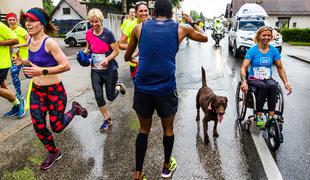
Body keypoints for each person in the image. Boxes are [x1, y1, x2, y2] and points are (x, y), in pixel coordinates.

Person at [124, 0, 208, 179]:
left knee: (143, 130)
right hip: (166, 89)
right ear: (171, 13)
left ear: (154, 13)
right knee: (168, 130)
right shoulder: (181, 28)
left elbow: (126, 56)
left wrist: (138, 55)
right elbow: (205, 37)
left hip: (143, 87)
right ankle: (166, 167)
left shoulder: (139, 29)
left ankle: (138, 174)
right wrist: (192, 21)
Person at [15, 7, 88, 170]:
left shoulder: (49, 43)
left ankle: (75, 109)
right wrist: (24, 62)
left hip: (54, 91)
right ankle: (54, 152)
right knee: (38, 125)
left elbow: (66, 65)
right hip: (37, 91)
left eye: (32, 20)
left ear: (41, 24)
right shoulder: (29, 40)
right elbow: (37, 62)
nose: (28, 24)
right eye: (27, 20)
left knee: (57, 127)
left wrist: (42, 71)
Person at [83, 8, 126, 132]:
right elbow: (88, 48)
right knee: (98, 96)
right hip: (95, 70)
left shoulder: (108, 34)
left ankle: (119, 86)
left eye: (96, 21)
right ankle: (107, 120)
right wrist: (82, 54)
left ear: (101, 20)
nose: (94, 24)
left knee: (111, 97)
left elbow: (116, 51)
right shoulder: (89, 34)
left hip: (109, 70)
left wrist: (107, 59)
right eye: (92, 22)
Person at [240, 26, 292, 128]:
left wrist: (286, 82)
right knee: (263, 87)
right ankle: (259, 116)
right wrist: (244, 82)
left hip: (268, 78)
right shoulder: (252, 50)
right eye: (264, 35)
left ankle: (271, 117)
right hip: (254, 79)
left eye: (269, 35)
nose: (267, 37)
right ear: (259, 36)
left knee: (273, 86)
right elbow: (243, 67)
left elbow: (280, 68)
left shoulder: (273, 51)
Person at [0, 21, 25, 119]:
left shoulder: (0, 26)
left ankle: (19, 102)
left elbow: (15, 40)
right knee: (3, 86)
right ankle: (16, 104)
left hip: (2, 63)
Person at [119, 2, 149, 79]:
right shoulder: (130, 25)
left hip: (150, 62)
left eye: (146, 10)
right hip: (135, 62)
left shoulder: (153, 25)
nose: (144, 13)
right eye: (141, 11)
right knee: (138, 87)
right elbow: (121, 44)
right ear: (136, 13)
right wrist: (132, 47)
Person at [6, 12, 29, 107]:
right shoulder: (7, 31)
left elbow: (30, 42)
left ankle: (41, 86)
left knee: (29, 75)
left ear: (16, 20)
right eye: (10, 20)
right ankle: (19, 94)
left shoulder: (21, 30)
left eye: (13, 19)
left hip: (25, 57)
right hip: (15, 58)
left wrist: (18, 45)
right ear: (7, 21)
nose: (12, 21)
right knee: (14, 75)